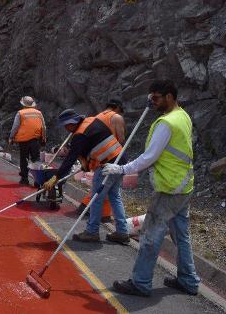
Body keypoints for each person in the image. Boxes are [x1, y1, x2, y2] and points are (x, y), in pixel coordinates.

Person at [102, 80, 200, 297]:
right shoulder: (182, 115)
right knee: (181, 235)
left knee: (150, 235)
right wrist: (152, 100)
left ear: (169, 96)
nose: (152, 102)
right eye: (151, 98)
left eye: (156, 98)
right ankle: (189, 280)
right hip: (184, 185)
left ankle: (140, 283)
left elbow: (148, 157)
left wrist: (120, 169)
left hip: (169, 189)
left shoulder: (166, 123)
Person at [43, 108, 129, 244]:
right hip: (121, 160)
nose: (66, 128)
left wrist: (56, 177)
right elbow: (92, 146)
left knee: (96, 198)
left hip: (107, 165)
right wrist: (86, 165)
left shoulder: (80, 134)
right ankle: (122, 232)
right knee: (114, 196)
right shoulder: (92, 121)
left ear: (72, 123)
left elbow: (70, 159)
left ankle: (92, 232)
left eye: (67, 125)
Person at [77, 99, 127, 222]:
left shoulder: (97, 117)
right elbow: (121, 140)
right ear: (116, 108)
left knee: (101, 191)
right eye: (120, 110)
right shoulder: (116, 118)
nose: (120, 113)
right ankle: (96, 225)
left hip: (99, 158)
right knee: (109, 195)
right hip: (113, 158)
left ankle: (94, 213)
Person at [8, 96, 46, 186]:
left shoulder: (20, 113)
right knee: (36, 159)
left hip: (23, 140)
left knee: (24, 159)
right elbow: (43, 127)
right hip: (35, 140)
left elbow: (15, 127)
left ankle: (24, 179)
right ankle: (38, 180)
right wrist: (43, 138)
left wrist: (11, 137)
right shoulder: (39, 113)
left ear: (23, 104)